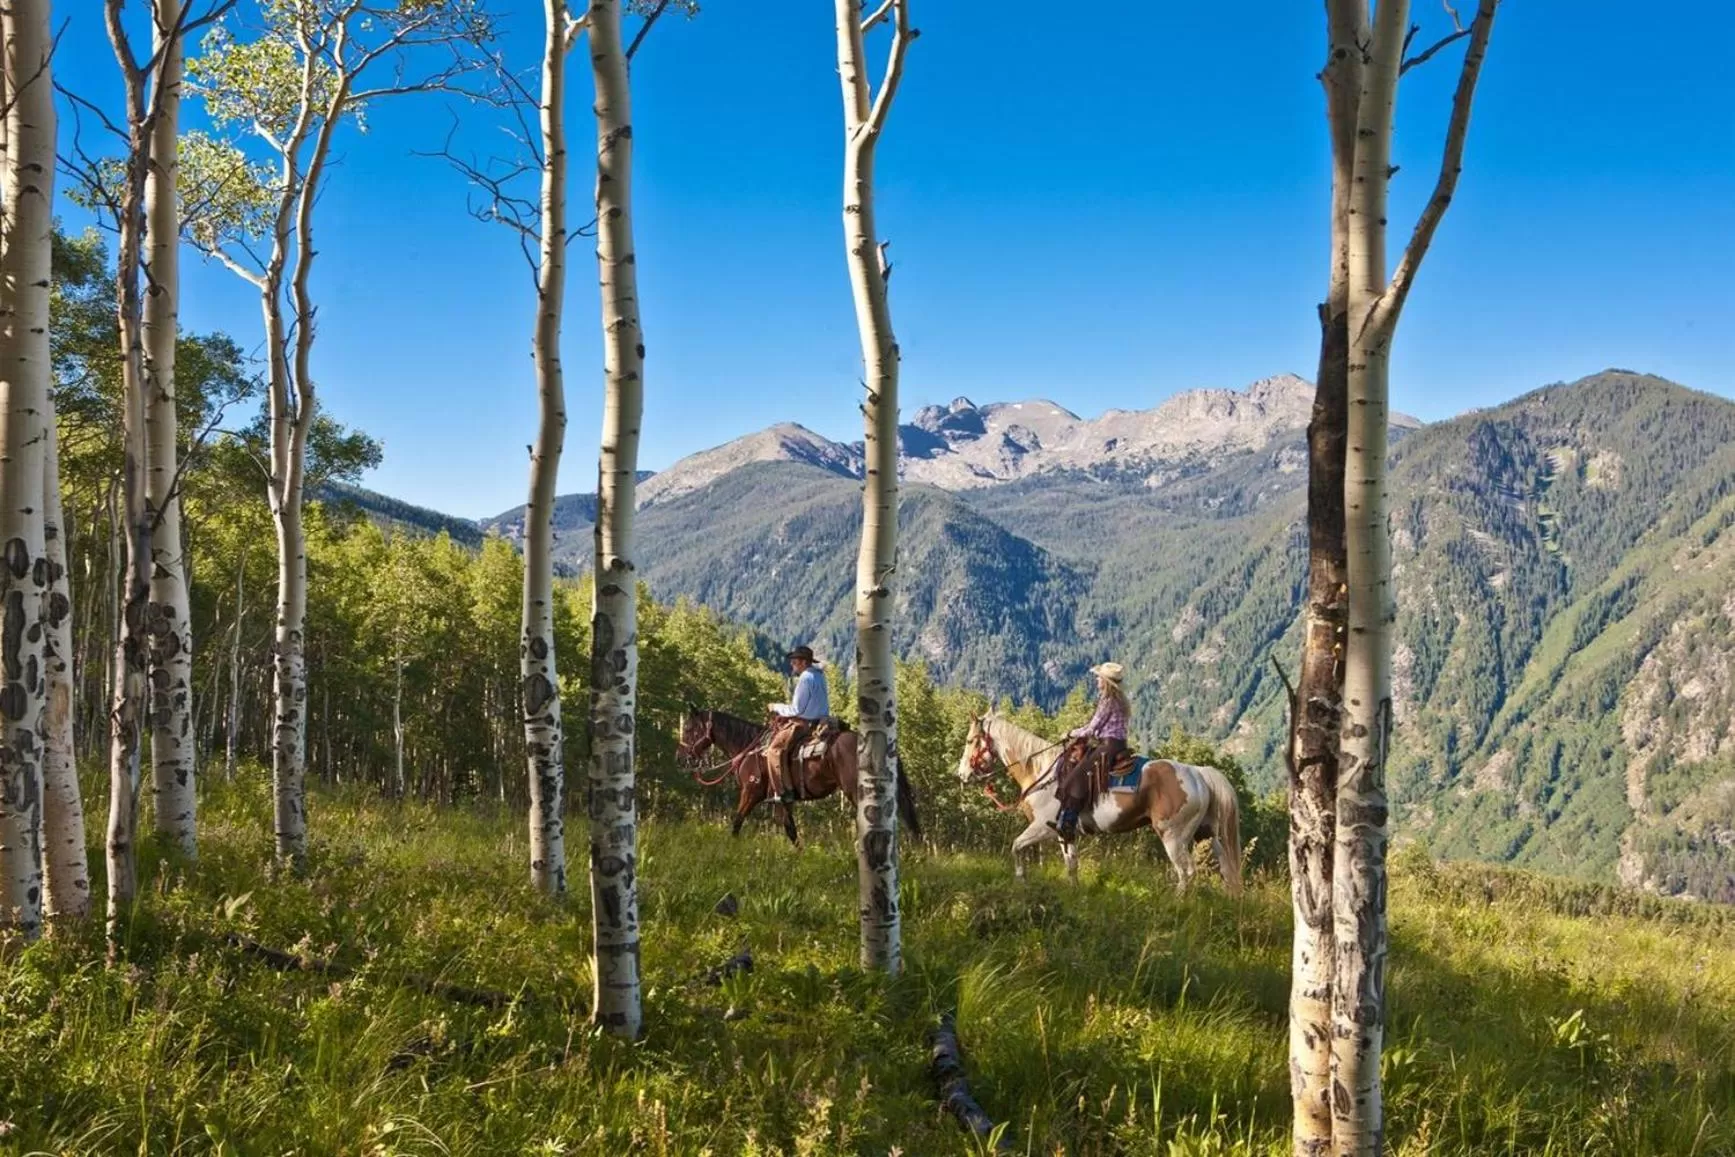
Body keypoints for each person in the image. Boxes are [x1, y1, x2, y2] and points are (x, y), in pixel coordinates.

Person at [1051, 661, 1130, 842]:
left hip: (1108, 745)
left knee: (1076, 776)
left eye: (1099, 677)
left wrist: (1070, 733)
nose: (1096, 680)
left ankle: (1069, 822)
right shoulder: (1119, 699)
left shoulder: (1108, 700)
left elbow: (1093, 728)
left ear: (1106, 682)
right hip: (1118, 744)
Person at [764, 645, 831, 803]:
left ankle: (783, 792)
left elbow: (796, 709)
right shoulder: (819, 675)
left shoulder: (805, 678)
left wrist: (775, 707)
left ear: (803, 662)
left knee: (774, 750)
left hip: (805, 724)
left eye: (794, 661)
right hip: (821, 721)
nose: (792, 664)